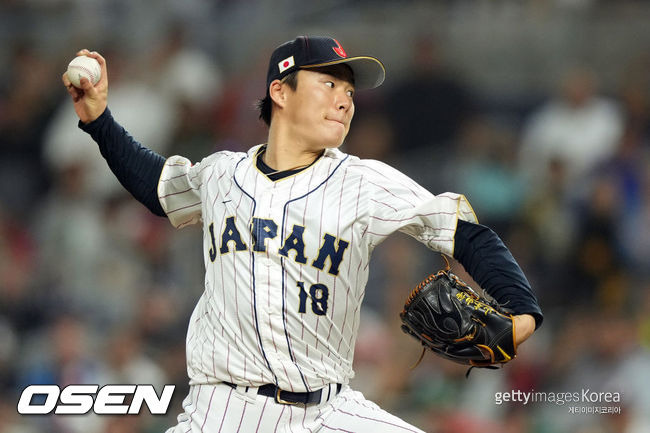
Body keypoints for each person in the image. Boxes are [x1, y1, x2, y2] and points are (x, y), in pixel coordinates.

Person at [62, 36, 542, 432]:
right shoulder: (222, 174)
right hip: (222, 412)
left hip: (328, 411)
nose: (345, 100)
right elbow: (158, 186)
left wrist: (523, 311)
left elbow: (467, 235)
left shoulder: (364, 182)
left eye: (350, 92)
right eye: (329, 82)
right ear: (281, 91)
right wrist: (98, 120)